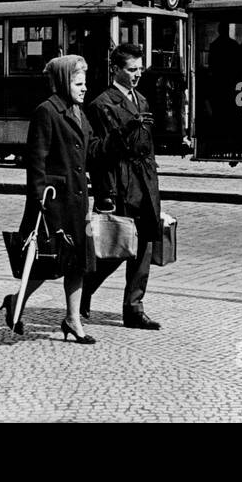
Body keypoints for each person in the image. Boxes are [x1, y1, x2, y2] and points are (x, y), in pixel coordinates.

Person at [3, 55, 98, 344]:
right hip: (53, 201)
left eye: (85, 83)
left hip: (77, 199)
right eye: (79, 83)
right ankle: (16, 300)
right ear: (63, 82)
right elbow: (36, 161)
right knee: (48, 261)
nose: (84, 88)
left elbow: (90, 150)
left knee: (78, 262)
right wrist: (39, 200)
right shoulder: (47, 112)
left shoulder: (79, 112)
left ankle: (72, 319)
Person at [82, 43, 163, 331]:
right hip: (119, 184)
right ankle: (84, 288)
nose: (137, 74)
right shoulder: (102, 104)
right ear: (116, 69)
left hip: (143, 183)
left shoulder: (141, 100)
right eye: (131, 69)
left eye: (140, 69)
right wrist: (107, 194)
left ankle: (134, 308)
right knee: (115, 248)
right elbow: (96, 153)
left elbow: (147, 146)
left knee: (143, 247)